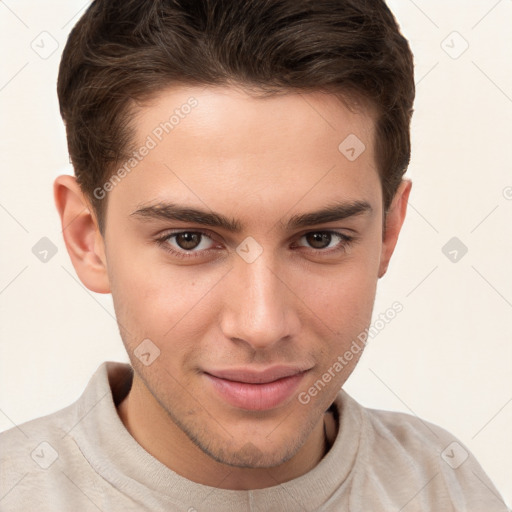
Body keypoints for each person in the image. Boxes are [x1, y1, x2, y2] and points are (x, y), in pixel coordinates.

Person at [0, 0, 508, 511]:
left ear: (387, 232)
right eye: (189, 240)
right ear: (89, 238)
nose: (261, 325)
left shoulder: (448, 486)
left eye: (320, 239)